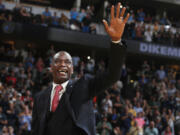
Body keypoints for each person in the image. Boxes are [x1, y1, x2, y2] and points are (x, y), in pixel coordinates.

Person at [31, 2, 130, 135]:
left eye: (67, 62)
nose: (63, 64)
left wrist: (116, 41)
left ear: (72, 69)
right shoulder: (40, 98)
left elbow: (112, 75)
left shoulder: (84, 85)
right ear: (51, 68)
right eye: (58, 61)